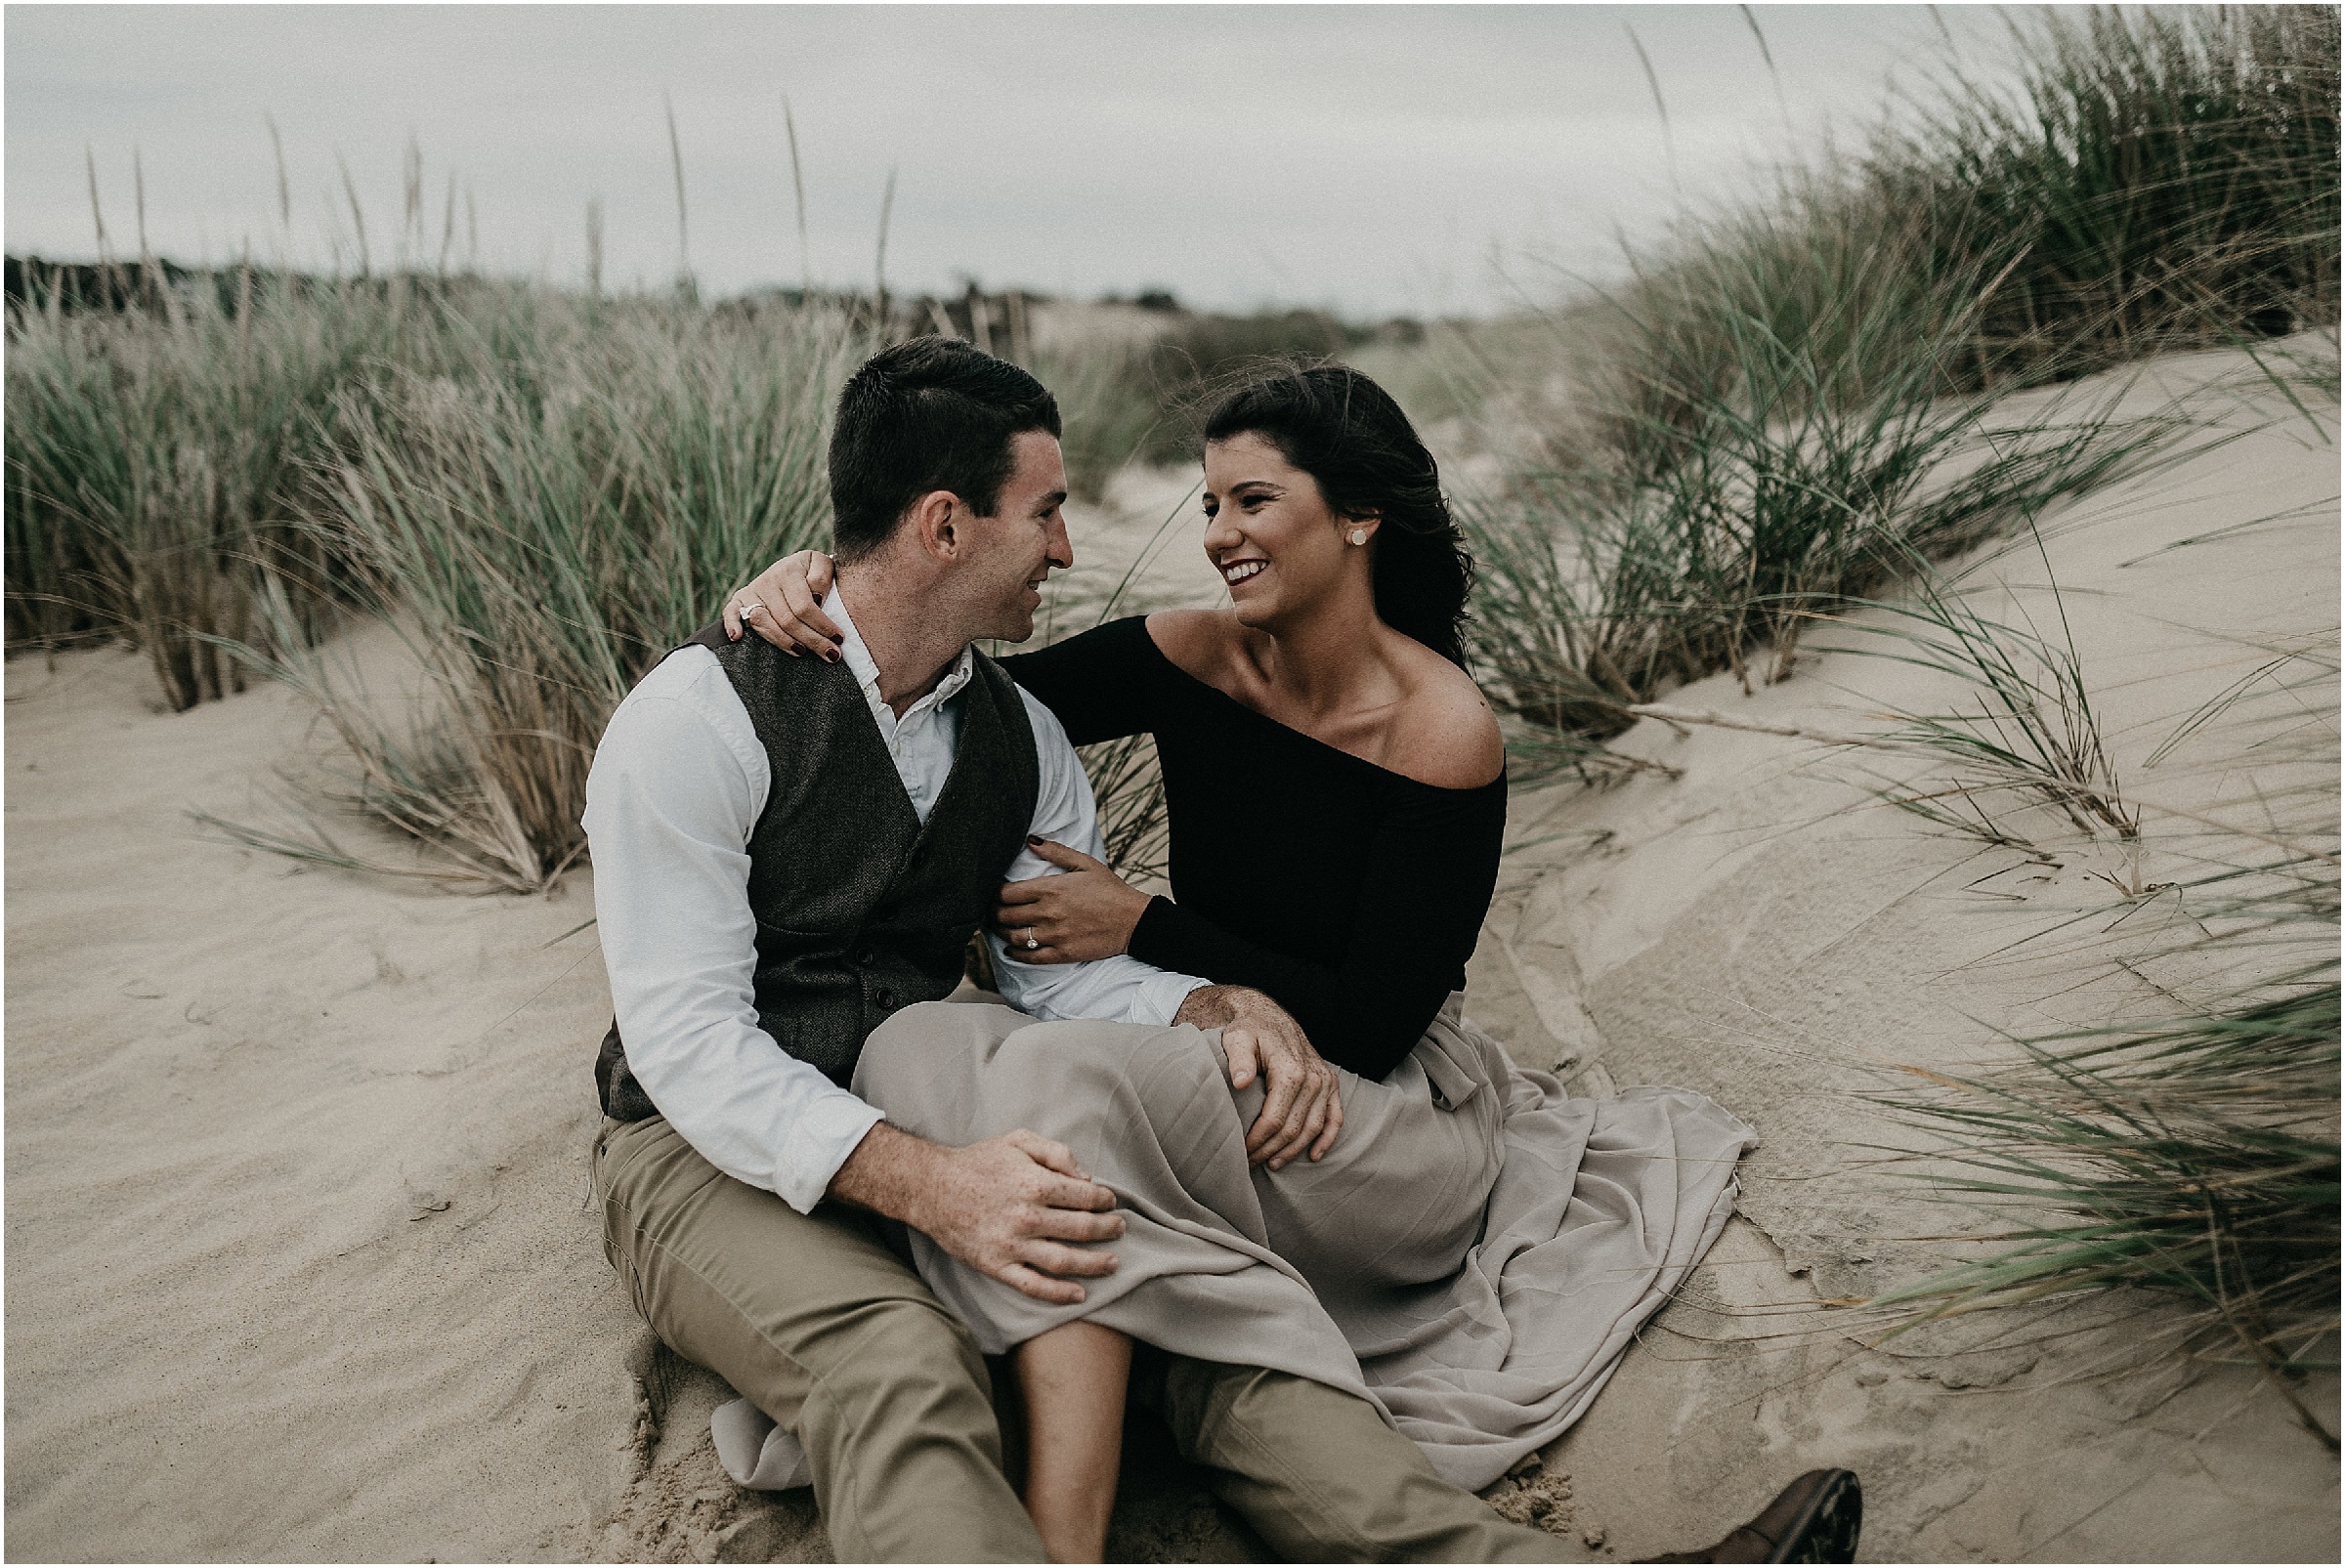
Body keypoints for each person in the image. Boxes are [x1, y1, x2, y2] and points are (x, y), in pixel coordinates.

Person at [722, 359, 1864, 1563]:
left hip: (1367, 1124)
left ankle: (1062, 1543)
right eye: (1212, 505)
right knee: (926, 1042)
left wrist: (1146, 928)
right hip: (1218, 1070)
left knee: (1059, 1097)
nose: (1219, 535)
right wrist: (826, 586)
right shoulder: (1193, 655)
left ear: (1359, 516)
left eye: (1254, 502)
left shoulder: (1442, 729)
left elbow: (1369, 1022)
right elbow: (948, 679)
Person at [588, 335, 1619, 1563]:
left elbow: (1057, 974)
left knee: (1203, 1315)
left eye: (1249, 500)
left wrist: (1212, 1007)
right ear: (944, 527)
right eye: (1048, 512)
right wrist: (932, 1186)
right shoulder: (697, 722)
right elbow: (689, 1045)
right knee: (898, 1364)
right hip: (704, 1149)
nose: (1071, 549)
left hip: (943, 1111)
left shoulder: (1021, 738)